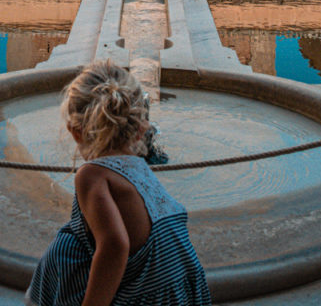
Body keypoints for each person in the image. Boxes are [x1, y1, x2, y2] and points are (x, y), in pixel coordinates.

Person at [25, 61, 211, 306]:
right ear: (138, 129)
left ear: (75, 132)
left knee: (66, 249)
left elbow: (115, 245)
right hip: (179, 293)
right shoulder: (139, 167)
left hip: (147, 299)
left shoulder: (92, 175)